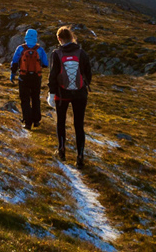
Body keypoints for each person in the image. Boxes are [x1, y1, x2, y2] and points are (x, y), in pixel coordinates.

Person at [49, 25, 93, 163]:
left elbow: (53, 75)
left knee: (61, 122)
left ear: (59, 38)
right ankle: (80, 156)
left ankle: (61, 150)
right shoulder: (82, 53)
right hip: (80, 95)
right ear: (71, 37)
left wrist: (51, 93)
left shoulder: (56, 54)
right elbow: (88, 74)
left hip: (62, 94)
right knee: (78, 125)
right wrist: (83, 86)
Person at [7, 28, 47, 129]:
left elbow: (15, 62)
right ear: (36, 37)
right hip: (36, 78)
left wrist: (13, 74)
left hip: (23, 77)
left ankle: (27, 122)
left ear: (26, 36)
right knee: (35, 98)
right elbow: (45, 64)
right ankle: (36, 120)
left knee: (25, 99)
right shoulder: (40, 50)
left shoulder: (20, 48)